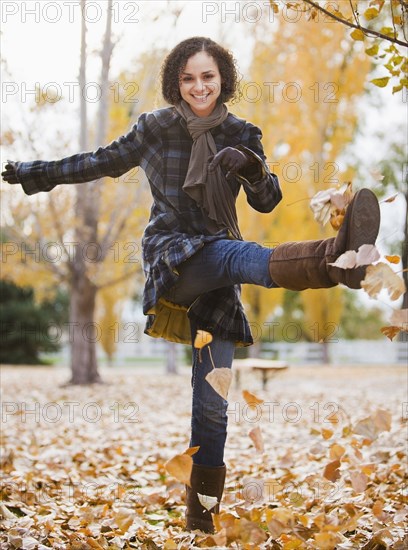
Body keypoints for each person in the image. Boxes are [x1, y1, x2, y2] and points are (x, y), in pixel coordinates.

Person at [1, 36, 380, 534]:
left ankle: (199, 522)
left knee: (213, 404)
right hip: (175, 257)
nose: (198, 86)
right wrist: (36, 173)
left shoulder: (242, 132)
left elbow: (267, 201)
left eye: (207, 76)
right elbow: (100, 160)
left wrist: (250, 165)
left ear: (223, 78)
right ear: (175, 83)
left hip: (221, 280)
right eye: (188, 78)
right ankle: (334, 260)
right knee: (233, 255)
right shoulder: (155, 129)